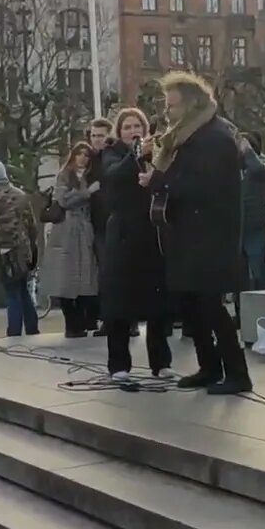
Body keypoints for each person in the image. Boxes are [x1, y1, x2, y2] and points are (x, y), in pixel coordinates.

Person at [141, 71, 251, 394]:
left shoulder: (214, 138)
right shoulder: (186, 137)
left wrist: (158, 182)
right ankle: (209, 367)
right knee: (191, 305)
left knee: (211, 306)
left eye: (172, 106)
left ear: (191, 104)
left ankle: (236, 372)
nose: (167, 113)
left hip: (209, 237)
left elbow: (205, 186)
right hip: (187, 234)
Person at [98, 108, 173, 380]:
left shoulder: (158, 152)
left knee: (157, 300)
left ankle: (161, 361)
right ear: (119, 132)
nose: (133, 131)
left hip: (151, 232)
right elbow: (114, 176)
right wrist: (136, 155)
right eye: (127, 127)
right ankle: (118, 364)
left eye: (137, 126)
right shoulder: (112, 153)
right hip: (123, 234)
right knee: (119, 299)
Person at [0, 158, 40, 337]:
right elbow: (32, 226)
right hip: (23, 250)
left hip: (5, 254)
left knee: (12, 293)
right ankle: (32, 330)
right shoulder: (20, 195)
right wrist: (33, 250)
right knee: (23, 291)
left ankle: (13, 333)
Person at [46, 142, 101, 338]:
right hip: (68, 229)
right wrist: (87, 192)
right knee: (66, 277)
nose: (83, 158)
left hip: (85, 228)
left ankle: (85, 320)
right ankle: (72, 324)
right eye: (79, 154)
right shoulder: (65, 174)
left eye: (86, 154)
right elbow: (63, 200)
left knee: (86, 277)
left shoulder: (90, 175)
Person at [85, 118, 114, 334]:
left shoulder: (112, 158)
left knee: (114, 272)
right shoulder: (88, 161)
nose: (96, 139)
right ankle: (108, 318)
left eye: (100, 135)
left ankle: (122, 320)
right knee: (102, 274)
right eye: (93, 135)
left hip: (113, 221)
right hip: (95, 223)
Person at [240, 132, 265, 290]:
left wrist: (247, 150)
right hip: (234, 225)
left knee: (257, 266)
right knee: (238, 271)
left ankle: (263, 296)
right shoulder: (231, 167)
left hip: (254, 224)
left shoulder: (262, 165)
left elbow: (257, 169)